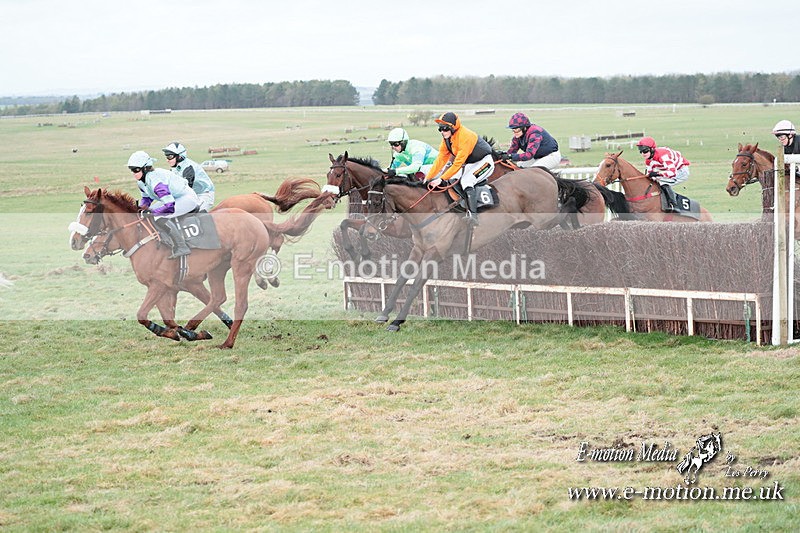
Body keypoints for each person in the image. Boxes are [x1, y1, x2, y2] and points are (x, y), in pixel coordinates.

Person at [128, 150, 201, 259]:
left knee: (158, 216)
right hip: (174, 198)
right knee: (147, 213)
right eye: (132, 170)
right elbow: (147, 199)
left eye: (136, 170)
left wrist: (152, 212)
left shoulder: (156, 181)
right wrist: (140, 209)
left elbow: (169, 207)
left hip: (187, 198)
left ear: (145, 168)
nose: (134, 173)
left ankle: (182, 247)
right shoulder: (141, 182)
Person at [425, 112, 494, 226]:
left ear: (453, 127)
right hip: (471, 163)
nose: (442, 132)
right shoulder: (447, 139)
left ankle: (473, 216)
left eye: (445, 128)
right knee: (452, 179)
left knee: (466, 181)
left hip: (484, 162)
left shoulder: (464, 136)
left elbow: (457, 164)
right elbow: (440, 160)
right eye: (440, 129)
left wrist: (441, 179)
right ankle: (464, 204)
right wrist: (428, 177)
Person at [636, 136, 690, 212]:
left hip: (681, 171)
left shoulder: (663, 156)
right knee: (655, 181)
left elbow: (672, 173)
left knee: (662, 182)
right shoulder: (648, 160)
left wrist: (657, 173)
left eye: (645, 151)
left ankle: (674, 206)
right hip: (668, 169)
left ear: (652, 149)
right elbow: (649, 174)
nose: (643, 154)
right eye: (640, 151)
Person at [162, 141, 216, 211]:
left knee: (194, 212)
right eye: (166, 157)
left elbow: (186, 190)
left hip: (204, 195)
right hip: (193, 195)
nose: (167, 160)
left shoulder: (188, 168)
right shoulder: (174, 168)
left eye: (170, 157)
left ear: (180, 156)